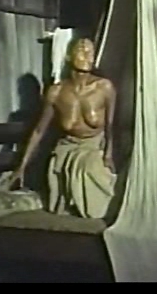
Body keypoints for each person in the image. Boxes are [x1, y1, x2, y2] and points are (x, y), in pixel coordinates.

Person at [8, 37, 117, 219]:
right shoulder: (56, 92)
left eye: (91, 52)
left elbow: (110, 125)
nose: (87, 55)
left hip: (92, 146)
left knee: (89, 170)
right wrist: (21, 167)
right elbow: (39, 131)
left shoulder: (104, 87)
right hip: (67, 148)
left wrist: (108, 154)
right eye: (81, 50)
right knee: (58, 185)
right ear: (68, 56)